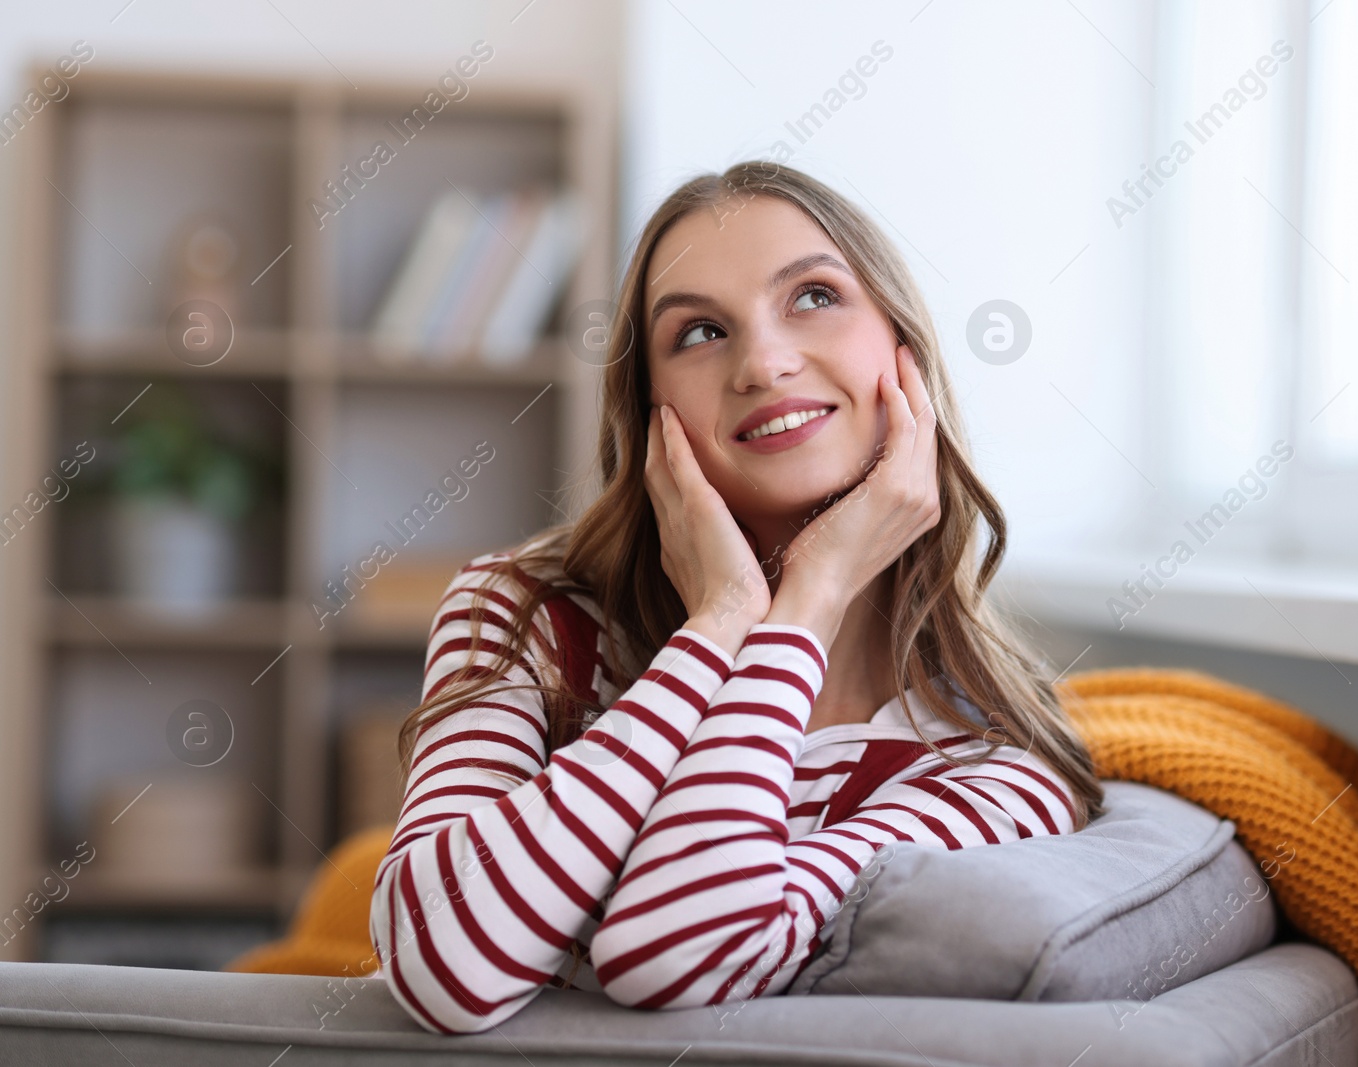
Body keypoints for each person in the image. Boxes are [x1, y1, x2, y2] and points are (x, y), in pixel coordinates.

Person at [370, 161, 1106, 1034]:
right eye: (700, 333)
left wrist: (802, 605)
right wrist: (719, 620)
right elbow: (441, 961)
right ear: (652, 413)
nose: (762, 362)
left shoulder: (990, 771)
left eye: (814, 297)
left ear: (905, 352)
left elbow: (674, 948)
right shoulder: (524, 607)